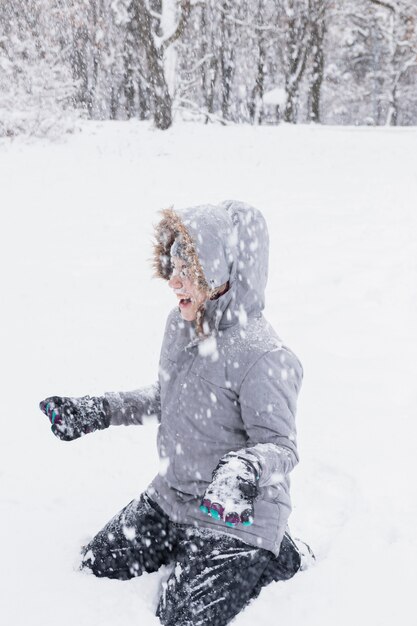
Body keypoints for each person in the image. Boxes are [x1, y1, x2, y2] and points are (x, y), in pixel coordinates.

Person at [39, 200, 314, 626]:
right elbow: (168, 397)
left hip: (236, 518)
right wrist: (101, 410)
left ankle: (275, 554)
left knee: (179, 616)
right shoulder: (181, 324)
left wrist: (245, 466)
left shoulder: (264, 356)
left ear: (220, 274)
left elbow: (281, 447)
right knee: (98, 562)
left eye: (189, 270)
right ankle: (202, 543)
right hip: (175, 495)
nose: (174, 281)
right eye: (172, 266)